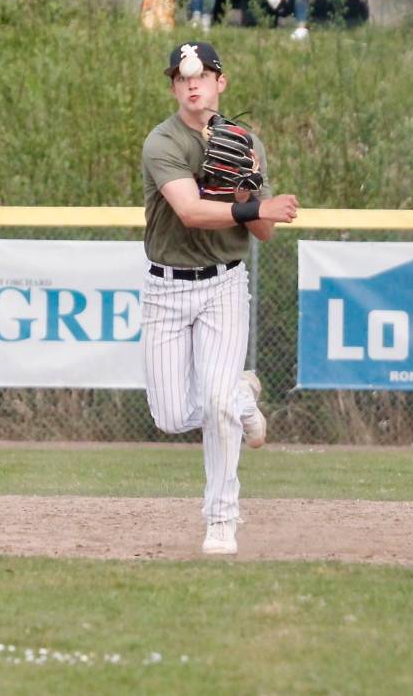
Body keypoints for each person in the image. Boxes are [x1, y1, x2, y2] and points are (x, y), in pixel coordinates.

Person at [141, 42, 299, 555]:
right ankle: (240, 395)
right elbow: (188, 212)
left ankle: (221, 520)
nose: (194, 83)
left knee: (212, 403)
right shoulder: (162, 142)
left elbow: (265, 233)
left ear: (220, 83)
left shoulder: (243, 140)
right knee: (169, 416)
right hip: (165, 288)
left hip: (224, 284)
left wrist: (247, 197)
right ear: (173, 87)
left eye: (204, 74)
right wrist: (250, 206)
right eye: (183, 76)